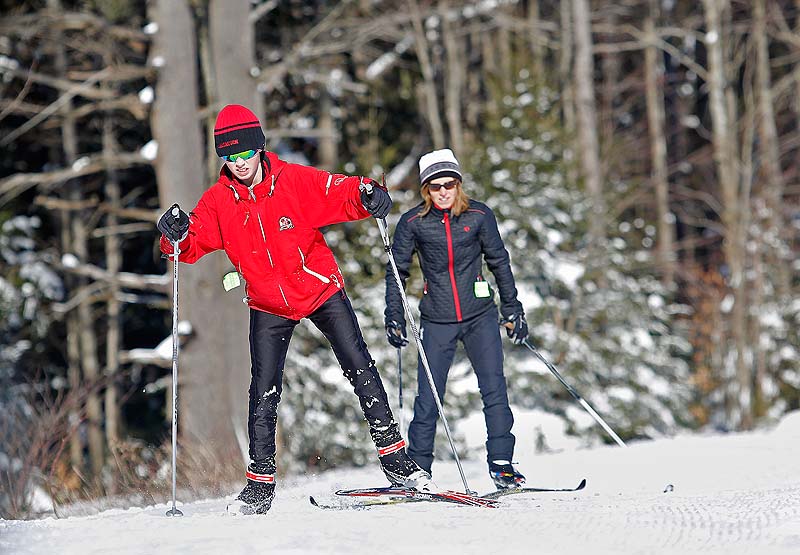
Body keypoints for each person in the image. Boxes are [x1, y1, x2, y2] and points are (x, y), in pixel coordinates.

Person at [157, 104, 429, 514]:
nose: (239, 164)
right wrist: (172, 234)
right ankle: (260, 484)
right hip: (268, 301)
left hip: (319, 289)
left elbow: (338, 192)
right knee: (263, 391)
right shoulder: (218, 202)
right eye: (230, 158)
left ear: (259, 148)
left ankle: (396, 461)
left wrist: (367, 194)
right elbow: (188, 244)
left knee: (360, 365)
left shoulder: (293, 181)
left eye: (245, 154)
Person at [384, 148, 529, 490]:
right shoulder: (413, 223)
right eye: (436, 186)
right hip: (437, 319)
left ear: (459, 184)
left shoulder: (479, 215)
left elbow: (499, 262)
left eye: (450, 183)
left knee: (494, 389)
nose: (444, 191)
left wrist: (513, 308)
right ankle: (417, 471)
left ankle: (502, 465)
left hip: (480, 316)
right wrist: (394, 315)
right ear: (426, 190)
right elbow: (396, 272)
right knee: (428, 398)